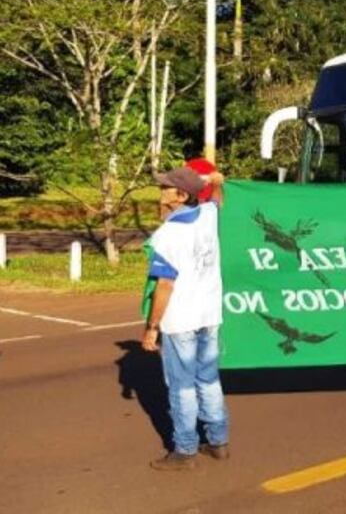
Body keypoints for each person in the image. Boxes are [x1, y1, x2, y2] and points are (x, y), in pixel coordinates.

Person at [142, 165, 228, 470]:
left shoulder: (167, 236)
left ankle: (185, 450)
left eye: (166, 188)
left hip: (180, 320)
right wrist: (213, 180)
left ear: (180, 195)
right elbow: (217, 194)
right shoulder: (208, 215)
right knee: (208, 378)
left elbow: (164, 286)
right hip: (210, 314)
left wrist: (152, 327)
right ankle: (218, 441)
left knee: (182, 386)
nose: (160, 191)